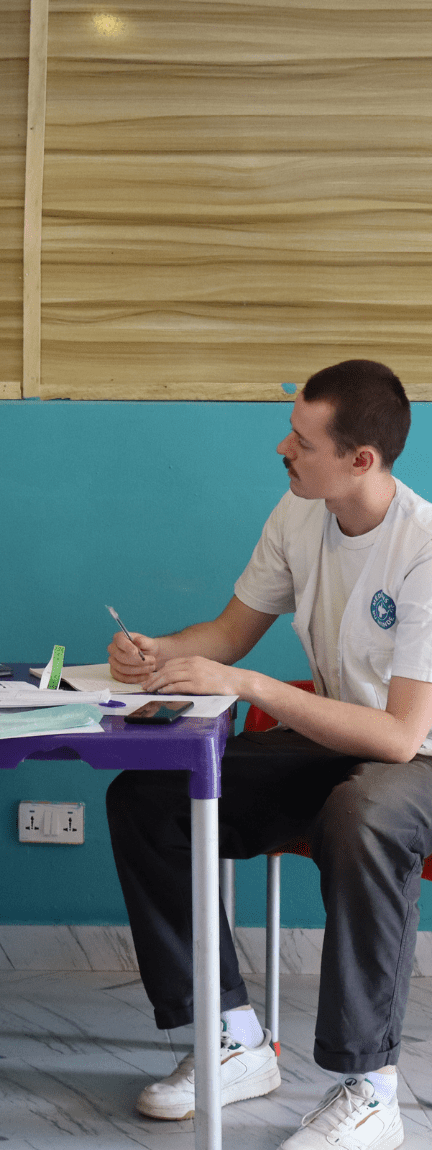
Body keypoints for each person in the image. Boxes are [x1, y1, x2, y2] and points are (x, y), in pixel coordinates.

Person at [106, 360, 432, 1150]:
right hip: (328, 739)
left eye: (302, 439)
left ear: (362, 459)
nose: (282, 448)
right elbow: (226, 634)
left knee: (362, 814)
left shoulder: (424, 549)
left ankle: (370, 1088)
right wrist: (159, 652)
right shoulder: (298, 515)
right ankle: (234, 1038)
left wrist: (247, 684)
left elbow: (398, 738)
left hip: (416, 760)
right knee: (145, 794)